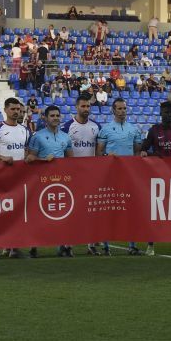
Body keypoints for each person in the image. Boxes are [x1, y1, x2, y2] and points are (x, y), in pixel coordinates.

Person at [140, 102, 171, 256]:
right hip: (157, 177)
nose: (169, 114)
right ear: (161, 113)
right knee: (156, 211)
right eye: (166, 112)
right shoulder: (153, 130)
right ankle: (150, 245)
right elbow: (144, 150)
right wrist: (153, 155)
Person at [96, 98, 144, 254]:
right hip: (110, 174)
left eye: (124, 108)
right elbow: (99, 153)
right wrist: (106, 155)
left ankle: (132, 245)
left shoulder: (134, 129)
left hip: (128, 174)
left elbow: (137, 152)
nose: (123, 111)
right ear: (113, 110)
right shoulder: (105, 129)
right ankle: (106, 245)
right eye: (119, 109)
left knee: (131, 210)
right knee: (108, 209)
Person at [0, 98, 32, 258]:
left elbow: (27, 151)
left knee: (17, 214)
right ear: (5, 110)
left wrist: (29, 157)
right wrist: (2, 158)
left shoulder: (25, 130)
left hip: (19, 179)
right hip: (1, 178)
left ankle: (13, 248)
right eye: (12, 109)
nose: (16, 112)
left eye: (18, 109)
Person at [26, 105, 75, 257]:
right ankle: (34, 246)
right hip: (40, 181)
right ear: (45, 118)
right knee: (38, 214)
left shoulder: (66, 137)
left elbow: (71, 160)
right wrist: (43, 159)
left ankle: (64, 246)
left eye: (57, 115)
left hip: (61, 181)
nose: (55, 118)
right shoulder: (37, 136)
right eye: (52, 115)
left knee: (63, 214)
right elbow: (29, 158)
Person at [63, 93, 107, 256]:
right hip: (72, 175)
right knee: (71, 211)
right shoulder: (67, 127)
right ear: (76, 107)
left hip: (90, 175)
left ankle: (91, 244)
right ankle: (67, 245)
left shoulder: (96, 127)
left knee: (91, 211)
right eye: (83, 106)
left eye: (88, 106)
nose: (86, 109)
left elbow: (99, 150)